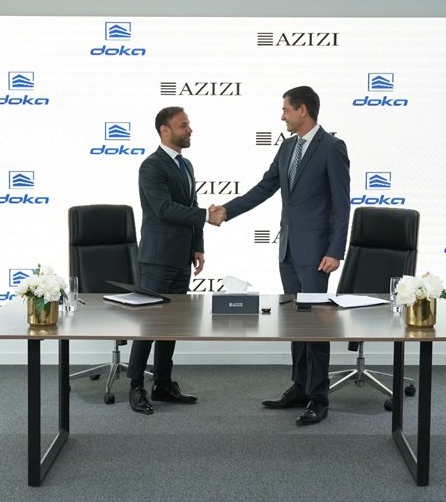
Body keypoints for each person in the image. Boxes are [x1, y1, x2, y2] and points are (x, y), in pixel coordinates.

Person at [212, 86, 350, 425]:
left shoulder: (332, 148)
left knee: (315, 326)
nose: (282, 116)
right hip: (287, 249)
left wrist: (335, 250)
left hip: (317, 254)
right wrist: (227, 210)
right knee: (297, 323)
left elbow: (341, 203)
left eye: (286, 110)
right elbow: (265, 187)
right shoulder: (288, 147)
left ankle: (319, 396)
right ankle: (300, 386)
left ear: (303, 110)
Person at [129, 106, 216, 415]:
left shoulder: (186, 165)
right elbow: (164, 209)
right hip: (157, 259)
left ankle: (163, 383)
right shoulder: (151, 166)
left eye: (188, 124)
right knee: (149, 326)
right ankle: (136, 386)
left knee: (171, 325)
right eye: (183, 125)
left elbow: (191, 203)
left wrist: (197, 246)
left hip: (181, 258)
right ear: (164, 130)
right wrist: (206, 215)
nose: (189, 130)